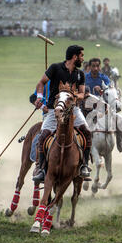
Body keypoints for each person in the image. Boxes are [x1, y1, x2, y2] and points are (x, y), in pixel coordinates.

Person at [32, 45, 93, 182]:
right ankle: (41, 169)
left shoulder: (80, 74)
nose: (83, 59)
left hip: (73, 110)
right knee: (43, 136)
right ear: (75, 57)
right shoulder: (55, 68)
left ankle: (84, 165)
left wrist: (74, 96)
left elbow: (82, 93)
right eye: (81, 56)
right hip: (55, 109)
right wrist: (40, 97)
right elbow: (41, 83)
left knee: (87, 132)